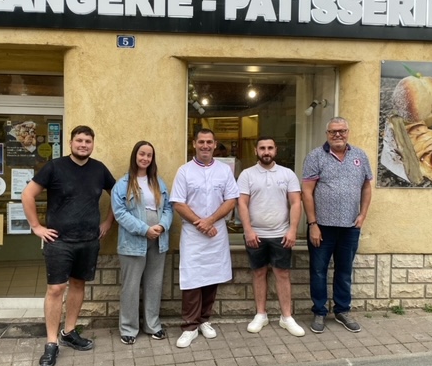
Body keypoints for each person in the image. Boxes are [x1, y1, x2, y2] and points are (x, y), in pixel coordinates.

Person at [22, 125, 115, 366]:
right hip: (59, 240)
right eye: (79, 140)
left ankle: (69, 331)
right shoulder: (54, 167)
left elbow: (118, 195)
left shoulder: (99, 169)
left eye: (88, 141)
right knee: (55, 288)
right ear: (71, 142)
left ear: (93, 144)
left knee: (77, 285)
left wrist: (107, 221)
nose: (83, 144)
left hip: (88, 240)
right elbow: (27, 195)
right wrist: (36, 226)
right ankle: (51, 343)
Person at [301, 117, 372, 334]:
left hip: (350, 226)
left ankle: (342, 311)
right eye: (333, 132)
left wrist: (362, 215)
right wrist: (312, 223)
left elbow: (367, 187)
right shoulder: (315, 156)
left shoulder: (359, 156)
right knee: (319, 271)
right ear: (327, 134)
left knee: (344, 271)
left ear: (348, 132)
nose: (337, 135)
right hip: (322, 227)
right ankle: (320, 312)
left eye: (341, 131)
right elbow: (306, 191)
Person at [170, 128, 239, 348]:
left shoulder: (224, 171)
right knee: (192, 280)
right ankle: (190, 326)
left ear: (215, 144)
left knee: (212, 276)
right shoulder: (184, 171)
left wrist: (210, 221)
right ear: (194, 144)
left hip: (216, 232)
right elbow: (178, 203)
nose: (205, 146)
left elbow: (231, 200)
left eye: (209, 142)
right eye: (201, 142)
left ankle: (204, 320)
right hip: (193, 234)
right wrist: (202, 223)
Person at [237, 136, 305, 337]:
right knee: (258, 273)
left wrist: (292, 230)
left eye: (270, 148)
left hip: (280, 234)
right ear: (256, 151)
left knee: (282, 274)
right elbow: (242, 203)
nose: (266, 151)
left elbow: (295, 203)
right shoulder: (247, 175)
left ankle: (286, 317)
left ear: (276, 150)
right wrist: (248, 230)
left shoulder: (287, 174)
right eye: (262, 148)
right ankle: (261, 314)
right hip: (255, 234)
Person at [111, 141, 173, 345]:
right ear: (135, 156)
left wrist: (162, 226)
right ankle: (128, 328)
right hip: (133, 242)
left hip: (158, 241)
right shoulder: (122, 185)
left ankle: (152, 325)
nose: (145, 158)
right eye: (142, 154)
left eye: (149, 155)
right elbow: (119, 213)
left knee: (154, 284)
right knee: (130, 286)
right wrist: (145, 229)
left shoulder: (158, 183)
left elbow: (168, 209)